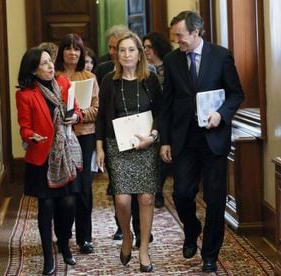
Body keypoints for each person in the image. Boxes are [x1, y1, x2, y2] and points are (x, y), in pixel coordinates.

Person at [159, 11, 245, 273]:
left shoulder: (221, 56)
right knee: (181, 193)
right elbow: (166, 104)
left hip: (213, 137)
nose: (177, 41)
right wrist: (164, 141)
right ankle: (191, 229)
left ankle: (210, 254)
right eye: (175, 36)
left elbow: (236, 94)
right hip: (184, 138)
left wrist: (222, 114)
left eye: (181, 36)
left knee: (215, 199)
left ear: (196, 33)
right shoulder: (173, 60)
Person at [95, 31, 161, 273]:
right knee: (122, 199)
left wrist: (153, 137)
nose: (126, 54)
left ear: (139, 53)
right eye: (122, 50)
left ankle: (143, 249)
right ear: (117, 54)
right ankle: (126, 235)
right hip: (117, 146)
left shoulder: (150, 79)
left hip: (146, 146)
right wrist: (99, 147)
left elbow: (162, 113)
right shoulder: (109, 81)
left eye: (131, 49)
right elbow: (102, 117)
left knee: (146, 197)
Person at [15, 47, 83, 275]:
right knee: (46, 207)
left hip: (66, 154)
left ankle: (64, 243)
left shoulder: (64, 84)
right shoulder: (25, 95)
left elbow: (77, 111)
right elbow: (24, 126)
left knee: (69, 205)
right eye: (44, 64)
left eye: (50, 62)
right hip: (42, 157)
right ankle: (48, 257)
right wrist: (30, 135)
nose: (50, 66)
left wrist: (76, 116)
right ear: (34, 70)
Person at [54, 33, 99, 255]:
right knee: (62, 186)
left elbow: (96, 109)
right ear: (61, 51)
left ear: (81, 53)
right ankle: (62, 234)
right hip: (59, 137)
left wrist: (78, 117)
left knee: (83, 187)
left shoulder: (89, 76)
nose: (72, 53)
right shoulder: (53, 77)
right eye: (68, 48)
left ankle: (85, 238)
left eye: (77, 49)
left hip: (84, 135)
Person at [142, 31, 172, 208]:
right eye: (144, 47)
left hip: (167, 116)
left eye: (149, 47)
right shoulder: (143, 69)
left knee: (164, 156)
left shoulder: (169, 65)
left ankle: (158, 190)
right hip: (149, 116)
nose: (146, 51)